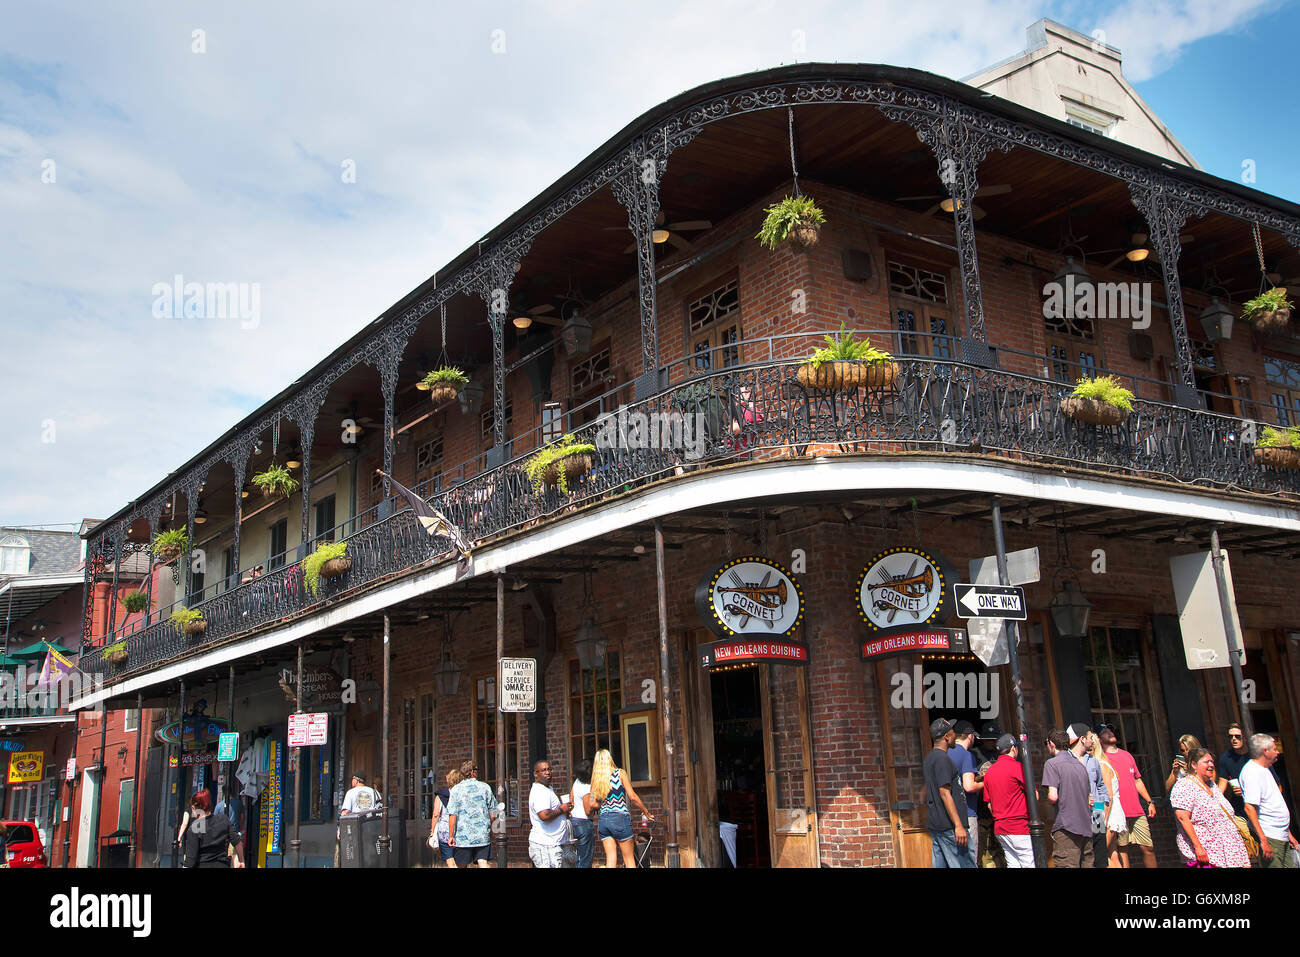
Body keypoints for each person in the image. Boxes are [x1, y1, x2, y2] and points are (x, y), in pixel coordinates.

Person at [1170, 748, 1250, 868]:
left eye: (1212, 762)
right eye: (1206, 762)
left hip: (1229, 854)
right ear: (1194, 765)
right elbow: (1182, 818)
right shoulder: (1184, 785)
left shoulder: (1212, 785)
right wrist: (1198, 847)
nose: (1211, 765)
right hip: (1207, 855)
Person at [1098, 725, 1157, 868]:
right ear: (1098, 739)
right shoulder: (1100, 760)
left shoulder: (1127, 755)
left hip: (1135, 810)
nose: (1110, 733)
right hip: (1116, 812)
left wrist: (1150, 802)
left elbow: (1137, 780)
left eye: (1111, 730)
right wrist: (1100, 818)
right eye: (1105, 732)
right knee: (1120, 850)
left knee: (1148, 847)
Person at [1240, 733, 1299, 868]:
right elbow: (1249, 808)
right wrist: (1263, 840)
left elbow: (1272, 805)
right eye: (1274, 749)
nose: (1278, 752)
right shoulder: (1252, 772)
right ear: (1264, 751)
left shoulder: (1265, 769)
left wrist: (1288, 834)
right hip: (1270, 836)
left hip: (1280, 835)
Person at [590, 748, 654, 868]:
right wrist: (646, 812)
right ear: (610, 759)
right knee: (629, 860)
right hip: (620, 818)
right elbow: (633, 797)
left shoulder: (596, 780)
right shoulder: (620, 774)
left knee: (610, 859)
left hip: (603, 820)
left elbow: (593, 804)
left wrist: (604, 803)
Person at [922, 717, 972, 868]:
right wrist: (958, 825)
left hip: (937, 824)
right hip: (949, 826)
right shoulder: (942, 759)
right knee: (964, 864)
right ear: (946, 737)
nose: (955, 735)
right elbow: (944, 793)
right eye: (952, 732)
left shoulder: (930, 758)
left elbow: (924, 792)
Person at [1042, 728, 1093, 868]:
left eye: (1046, 743)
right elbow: (1089, 798)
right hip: (1086, 826)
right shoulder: (1080, 765)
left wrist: (1047, 804)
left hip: (1067, 826)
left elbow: (1053, 796)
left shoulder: (1051, 764)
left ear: (1052, 744)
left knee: (1066, 864)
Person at [981, 733, 1033, 867]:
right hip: (1019, 826)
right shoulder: (1017, 767)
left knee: (1012, 863)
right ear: (1013, 748)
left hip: (1001, 827)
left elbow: (989, 805)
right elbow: (1034, 796)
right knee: (1029, 863)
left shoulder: (990, 772)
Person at [447, 760, 498, 868]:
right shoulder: (485, 787)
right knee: (483, 862)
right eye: (476, 770)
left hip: (462, 836)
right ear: (472, 772)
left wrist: (451, 835)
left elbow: (452, 814)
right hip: (482, 834)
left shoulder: (456, 790)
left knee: (461, 864)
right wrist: (492, 829)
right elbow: (493, 811)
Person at [1088, 735, 1127, 866]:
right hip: (1105, 812)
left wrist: (1101, 820)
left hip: (1106, 813)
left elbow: (1106, 795)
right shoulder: (1101, 763)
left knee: (1100, 852)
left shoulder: (1101, 765)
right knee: (1112, 854)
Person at [528, 759, 574, 868]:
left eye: (549, 769)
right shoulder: (540, 791)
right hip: (544, 845)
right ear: (536, 774)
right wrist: (562, 810)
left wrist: (564, 811)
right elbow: (544, 815)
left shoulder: (547, 789)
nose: (548, 772)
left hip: (552, 843)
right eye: (543, 770)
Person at [182, 789, 244, 869]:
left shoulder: (195, 828)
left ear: (194, 808)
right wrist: (241, 861)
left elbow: (190, 860)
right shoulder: (223, 820)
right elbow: (237, 842)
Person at [949, 721, 983, 867]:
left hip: (947, 814)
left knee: (952, 859)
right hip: (966, 814)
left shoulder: (944, 752)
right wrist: (985, 782)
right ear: (970, 736)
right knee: (969, 858)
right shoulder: (966, 755)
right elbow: (968, 786)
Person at [1216, 723, 1254, 841]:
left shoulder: (1254, 756)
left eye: (1237, 736)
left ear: (1245, 738)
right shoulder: (1225, 758)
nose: (1233, 739)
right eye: (1230, 737)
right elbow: (1222, 785)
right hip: (1239, 809)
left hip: (1258, 806)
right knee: (1249, 844)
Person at [428, 768, 461, 868]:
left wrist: (432, 831)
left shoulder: (441, 795)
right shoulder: (463, 795)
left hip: (445, 832)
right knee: (461, 861)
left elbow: (436, 814)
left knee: (450, 861)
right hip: (461, 830)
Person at [568, 758, 596, 869]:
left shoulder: (577, 782)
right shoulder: (586, 788)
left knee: (576, 857)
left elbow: (571, 799)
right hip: (583, 822)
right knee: (585, 858)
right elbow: (588, 810)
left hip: (573, 820)